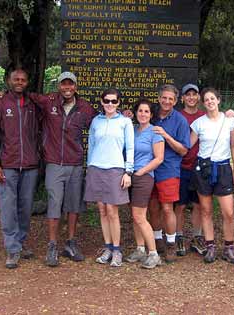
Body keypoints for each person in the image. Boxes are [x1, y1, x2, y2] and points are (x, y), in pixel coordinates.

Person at [28, 71, 97, 267]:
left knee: (73, 206)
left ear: (75, 86)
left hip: (75, 164)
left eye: (71, 84)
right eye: (63, 85)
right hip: (54, 164)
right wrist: (4, 95)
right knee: (54, 203)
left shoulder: (84, 108)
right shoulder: (49, 102)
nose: (67, 88)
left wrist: (123, 115)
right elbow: (26, 95)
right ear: (59, 86)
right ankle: (52, 245)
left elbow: (101, 122)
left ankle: (71, 243)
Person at [0, 65, 39, 269]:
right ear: (9, 81)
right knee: (8, 207)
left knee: (25, 207)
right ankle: (12, 249)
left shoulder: (33, 104)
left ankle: (21, 242)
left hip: (30, 165)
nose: (19, 83)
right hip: (7, 165)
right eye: (16, 79)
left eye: (23, 80)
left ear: (27, 83)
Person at [84, 88, 134, 267]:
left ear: (119, 103)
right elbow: (91, 145)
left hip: (115, 169)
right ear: (102, 101)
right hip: (96, 168)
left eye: (114, 101)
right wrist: (89, 167)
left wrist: (128, 171)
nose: (110, 104)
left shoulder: (125, 122)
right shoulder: (95, 122)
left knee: (112, 211)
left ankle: (117, 250)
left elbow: (129, 148)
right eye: (107, 101)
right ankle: (107, 247)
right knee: (102, 210)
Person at [190, 87, 234, 264]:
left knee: (228, 212)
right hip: (204, 168)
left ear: (218, 100)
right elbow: (188, 144)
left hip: (223, 167)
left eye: (213, 98)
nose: (210, 102)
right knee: (206, 210)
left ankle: (229, 247)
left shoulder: (229, 121)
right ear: (203, 103)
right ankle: (210, 246)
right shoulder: (198, 123)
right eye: (206, 100)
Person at [148, 84, 191, 263]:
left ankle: (171, 243)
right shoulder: (151, 115)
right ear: (159, 98)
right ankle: (157, 241)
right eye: (164, 98)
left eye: (171, 99)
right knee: (153, 207)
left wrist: (166, 136)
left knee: (167, 208)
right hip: (150, 168)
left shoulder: (180, 120)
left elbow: (183, 150)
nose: (167, 101)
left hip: (169, 169)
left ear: (175, 101)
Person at [125, 99, 165, 269]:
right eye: (140, 111)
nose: (143, 114)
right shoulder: (132, 130)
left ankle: (154, 253)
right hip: (130, 175)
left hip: (144, 176)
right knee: (135, 216)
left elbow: (159, 158)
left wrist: (141, 172)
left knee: (140, 216)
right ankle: (140, 249)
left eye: (146, 111)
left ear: (151, 115)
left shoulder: (154, 132)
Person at [174, 83, 207, 256]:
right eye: (188, 95)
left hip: (200, 166)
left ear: (198, 97)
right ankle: (179, 237)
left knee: (198, 204)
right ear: (183, 98)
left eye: (194, 94)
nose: (191, 97)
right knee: (179, 205)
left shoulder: (204, 116)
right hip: (181, 166)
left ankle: (196, 237)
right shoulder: (178, 116)